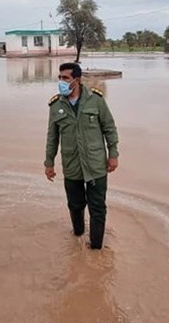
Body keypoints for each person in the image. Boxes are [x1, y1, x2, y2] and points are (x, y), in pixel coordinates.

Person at [44, 63, 119, 250]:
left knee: (97, 208)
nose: (61, 81)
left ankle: (96, 248)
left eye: (65, 78)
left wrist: (113, 155)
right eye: (59, 78)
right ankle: (77, 236)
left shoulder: (96, 100)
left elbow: (109, 128)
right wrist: (49, 163)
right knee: (75, 205)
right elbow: (52, 137)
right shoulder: (56, 106)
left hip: (95, 165)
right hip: (72, 165)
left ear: (76, 80)